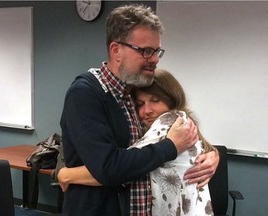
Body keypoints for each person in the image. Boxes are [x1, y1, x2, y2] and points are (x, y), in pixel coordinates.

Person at [60, 4, 218, 216]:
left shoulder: (134, 91)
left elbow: (163, 138)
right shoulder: (86, 93)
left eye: (156, 51)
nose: (154, 59)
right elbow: (108, 167)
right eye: (146, 51)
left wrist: (210, 155)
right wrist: (170, 146)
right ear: (116, 50)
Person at [59, 68, 216, 215]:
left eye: (155, 100)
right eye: (140, 104)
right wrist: (214, 154)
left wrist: (67, 174)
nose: (147, 111)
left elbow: (120, 168)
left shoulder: (168, 123)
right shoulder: (184, 122)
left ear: (172, 100)